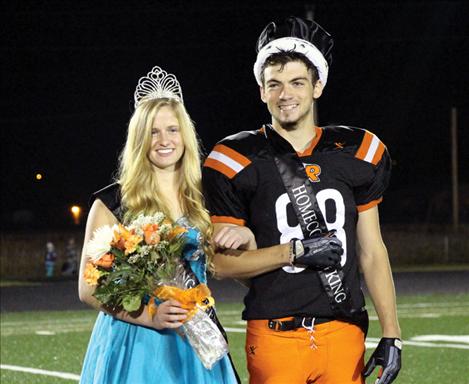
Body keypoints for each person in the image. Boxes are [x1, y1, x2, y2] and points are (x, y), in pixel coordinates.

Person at [202, 17, 401, 384]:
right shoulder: (236, 159)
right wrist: (292, 251)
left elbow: (372, 250)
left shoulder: (358, 151)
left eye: (296, 82)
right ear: (262, 91)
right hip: (274, 333)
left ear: (317, 87)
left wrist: (392, 333)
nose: (285, 94)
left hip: (343, 332)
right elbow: (220, 265)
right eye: (274, 85)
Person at [78, 66, 239, 383]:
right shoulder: (113, 203)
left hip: (195, 340)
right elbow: (88, 288)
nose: (164, 140)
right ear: (139, 139)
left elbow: (222, 260)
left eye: (172, 129)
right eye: (153, 131)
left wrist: (243, 233)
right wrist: (149, 314)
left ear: (185, 135)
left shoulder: (205, 198)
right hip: (136, 341)